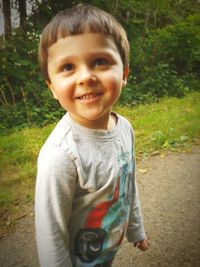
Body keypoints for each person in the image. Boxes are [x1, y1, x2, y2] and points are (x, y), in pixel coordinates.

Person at [35, 4, 150, 267]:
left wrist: (136, 230)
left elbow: (128, 186)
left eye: (99, 61)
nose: (86, 76)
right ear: (52, 88)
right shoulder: (60, 156)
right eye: (67, 67)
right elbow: (49, 235)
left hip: (106, 250)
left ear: (123, 74)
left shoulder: (125, 129)